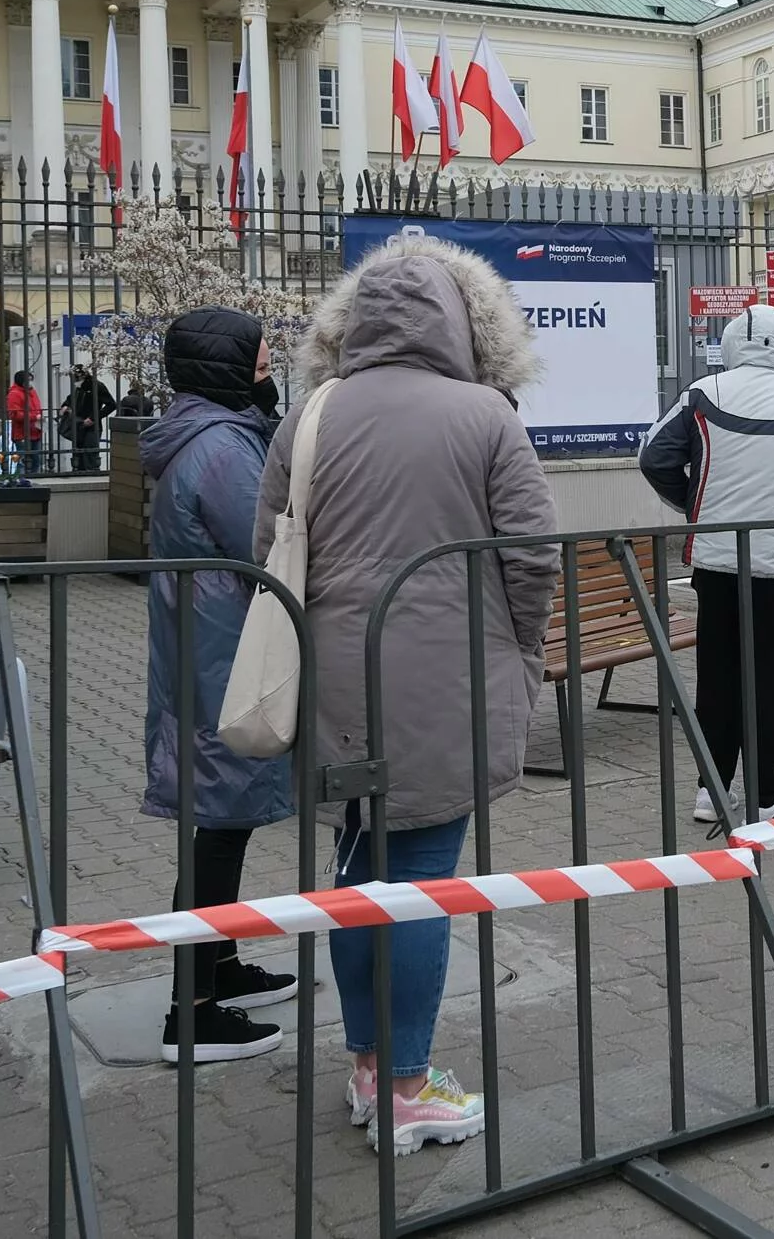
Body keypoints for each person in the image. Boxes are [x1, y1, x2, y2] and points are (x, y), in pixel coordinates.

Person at [266, 231, 557, 1157]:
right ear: (468, 320)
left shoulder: (310, 413)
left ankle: (365, 1067)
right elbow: (533, 551)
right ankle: (406, 1084)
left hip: (335, 675)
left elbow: (261, 551)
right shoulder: (485, 414)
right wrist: (521, 643)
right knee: (425, 875)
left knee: (355, 874)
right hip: (450, 672)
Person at [142, 308, 296, 1064]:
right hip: (221, 653)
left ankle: (221, 964)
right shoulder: (221, 448)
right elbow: (263, 537)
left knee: (224, 816)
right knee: (219, 821)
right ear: (223, 365)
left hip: (208, 645)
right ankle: (192, 1008)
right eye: (261, 356)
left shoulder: (211, 433)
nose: (271, 363)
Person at [641, 303, 774, 826]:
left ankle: (709, 791)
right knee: (767, 677)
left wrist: (694, 503)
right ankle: (767, 795)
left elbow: (653, 456)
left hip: (713, 562)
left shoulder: (702, 395)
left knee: (715, 677)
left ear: (734, 341)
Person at [64, 365, 116, 473]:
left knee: (90, 456)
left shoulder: (97, 386)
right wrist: (65, 406)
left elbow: (111, 405)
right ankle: (79, 475)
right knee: (78, 456)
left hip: (92, 427)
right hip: (78, 425)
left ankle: (91, 474)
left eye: (75, 378)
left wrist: (93, 418)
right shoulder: (79, 388)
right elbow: (71, 399)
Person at [5, 366, 44, 473]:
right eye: (28, 380)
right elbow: (15, 414)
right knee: (23, 460)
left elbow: (37, 408)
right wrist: (34, 417)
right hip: (22, 433)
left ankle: (36, 480)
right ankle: (21, 482)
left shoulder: (32, 392)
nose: (30, 383)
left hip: (35, 430)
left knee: (36, 460)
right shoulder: (14, 394)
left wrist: (39, 417)